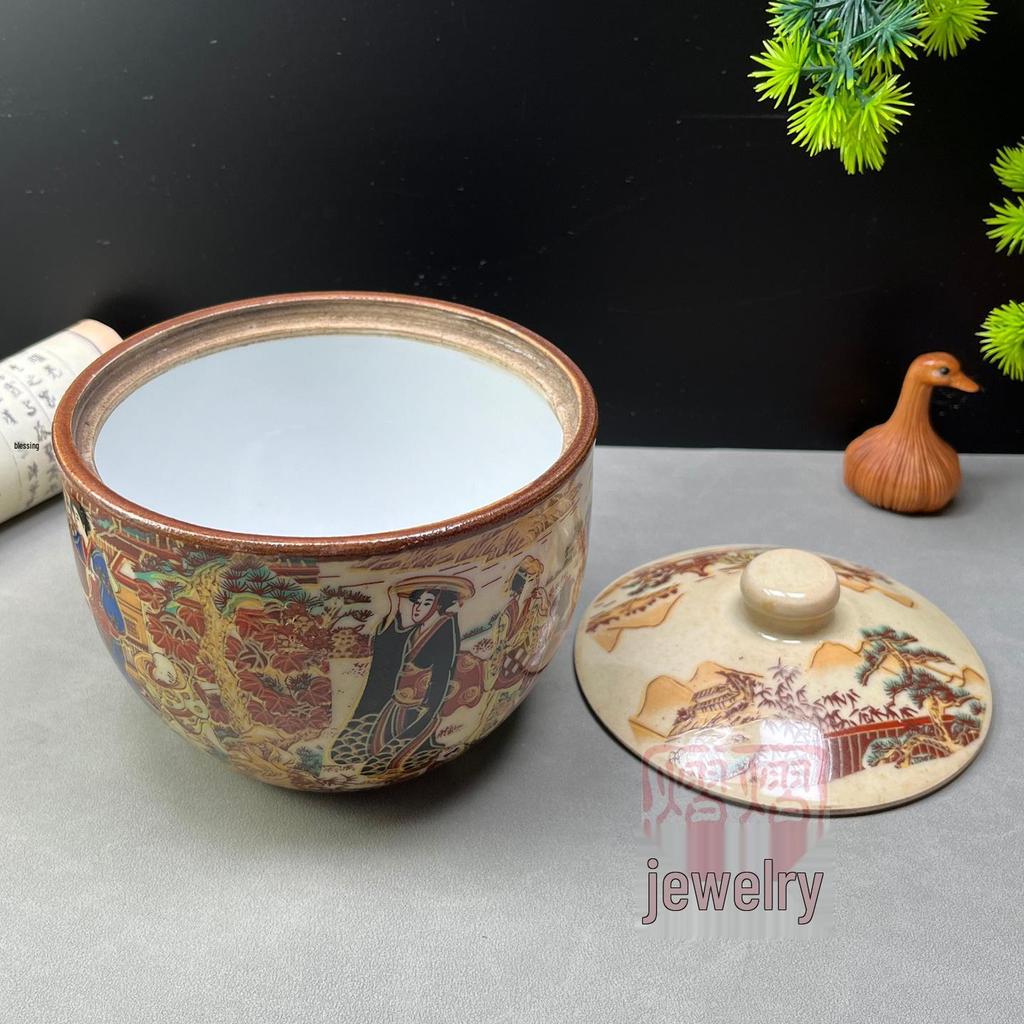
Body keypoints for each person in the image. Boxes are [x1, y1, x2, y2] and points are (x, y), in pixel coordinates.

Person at [331, 577, 470, 777]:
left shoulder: (445, 629)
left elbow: (443, 672)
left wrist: (430, 708)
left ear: (439, 605)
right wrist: (394, 608)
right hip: (398, 703)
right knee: (361, 749)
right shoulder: (417, 629)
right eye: (417, 602)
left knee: (390, 757)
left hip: (420, 706)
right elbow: (391, 645)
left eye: (427, 603)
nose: (417, 608)